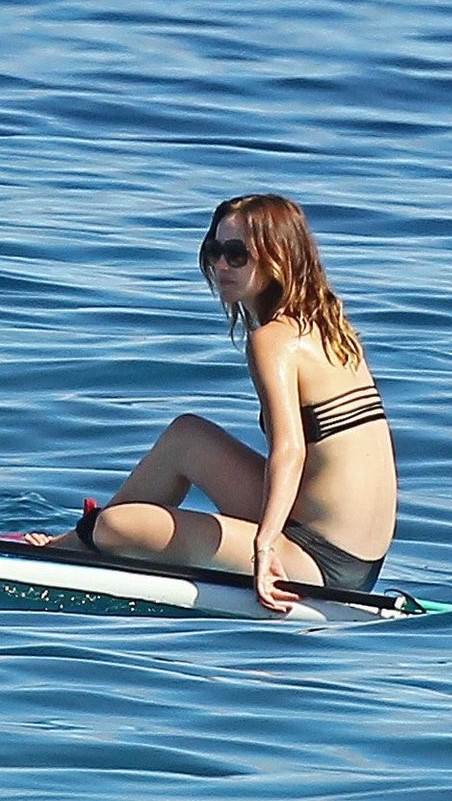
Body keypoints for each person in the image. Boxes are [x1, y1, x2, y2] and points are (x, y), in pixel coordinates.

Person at [34, 194, 396, 612]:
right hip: (357, 556)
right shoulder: (331, 328)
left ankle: (89, 539)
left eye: (237, 254)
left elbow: (290, 450)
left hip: (316, 563)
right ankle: (79, 541)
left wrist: (263, 549)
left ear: (277, 257)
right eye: (214, 251)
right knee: (187, 435)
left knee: (115, 528)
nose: (222, 265)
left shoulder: (272, 341)